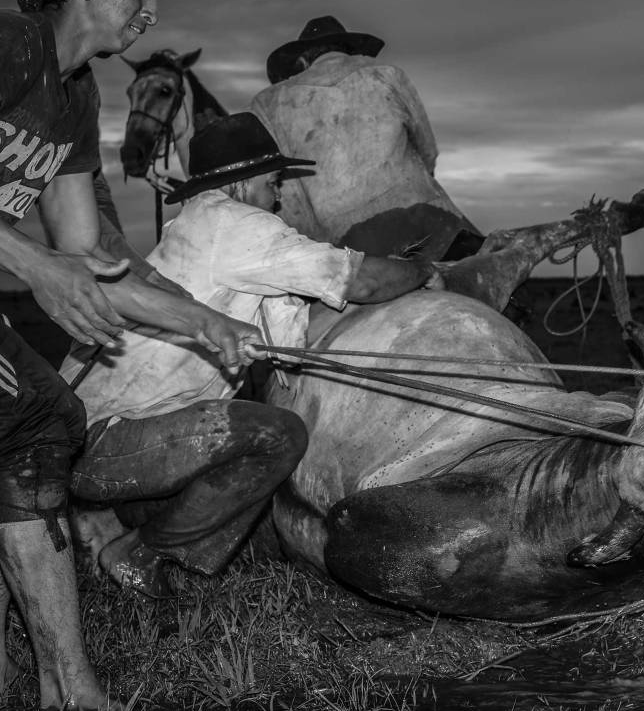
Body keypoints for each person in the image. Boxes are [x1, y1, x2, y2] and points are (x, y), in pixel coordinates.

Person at [0, 0, 266, 711]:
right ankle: (69, 691)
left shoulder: (76, 95)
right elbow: (52, 263)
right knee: (33, 416)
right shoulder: (10, 43)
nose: (150, 8)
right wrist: (34, 263)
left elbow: (87, 255)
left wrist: (199, 321)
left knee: (43, 418)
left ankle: (65, 689)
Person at [63, 112, 440, 602]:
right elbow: (360, 280)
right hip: (101, 439)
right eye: (273, 181)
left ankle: (146, 539)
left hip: (81, 430)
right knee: (276, 436)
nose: (279, 194)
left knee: (250, 432)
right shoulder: (237, 225)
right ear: (242, 185)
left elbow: (286, 346)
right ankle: (139, 552)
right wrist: (423, 271)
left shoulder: (201, 228)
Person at [250, 15, 484, 262]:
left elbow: (285, 193)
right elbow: (427, 151)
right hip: (426, 217)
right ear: (350, 51)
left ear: (302, 60)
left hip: (343, 241)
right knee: (495, 267)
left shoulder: (267, 103)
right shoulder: (388, 74)